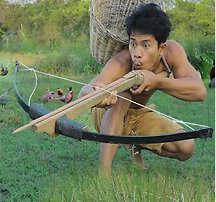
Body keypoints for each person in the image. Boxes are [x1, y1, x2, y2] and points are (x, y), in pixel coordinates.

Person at [79, 3, 206, 175]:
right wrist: (99, 93)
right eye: (133, 44)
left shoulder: (172, 53)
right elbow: (84, 92)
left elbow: (199, 91)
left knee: (186, 148)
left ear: (161, 47)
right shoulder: (122, 60)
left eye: (145, 45)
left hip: (138, 115)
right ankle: (104, 174)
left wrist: (158, 82)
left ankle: (133, 142)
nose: (136, 53)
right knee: (123, 96)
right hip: (107, 114)